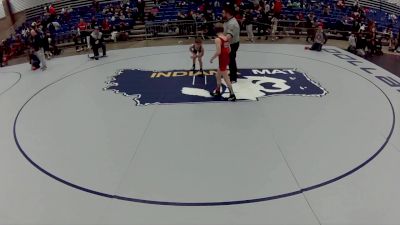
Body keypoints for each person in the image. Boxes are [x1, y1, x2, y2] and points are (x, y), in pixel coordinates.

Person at [210, 23, 236, 102]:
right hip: (226, 58)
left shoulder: (218, 39)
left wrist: (212, 58)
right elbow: (229, 50)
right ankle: (218, 91)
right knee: (218, 75)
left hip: (222, 59)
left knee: (226, 78)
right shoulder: (226, 37)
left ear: (215, 31)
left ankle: (232, 94)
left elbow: (218, 52)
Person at [223, 6, 240, 83]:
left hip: (232, 44)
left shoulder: (232, 23)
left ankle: (233, 78)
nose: (222, 14)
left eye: (224, 12)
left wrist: (220, 40)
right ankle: (233, 73)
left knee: (231, 60)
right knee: (230, 59)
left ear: (228, 13)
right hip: (230, 43)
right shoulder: (228, 21)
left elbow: (229, 36)